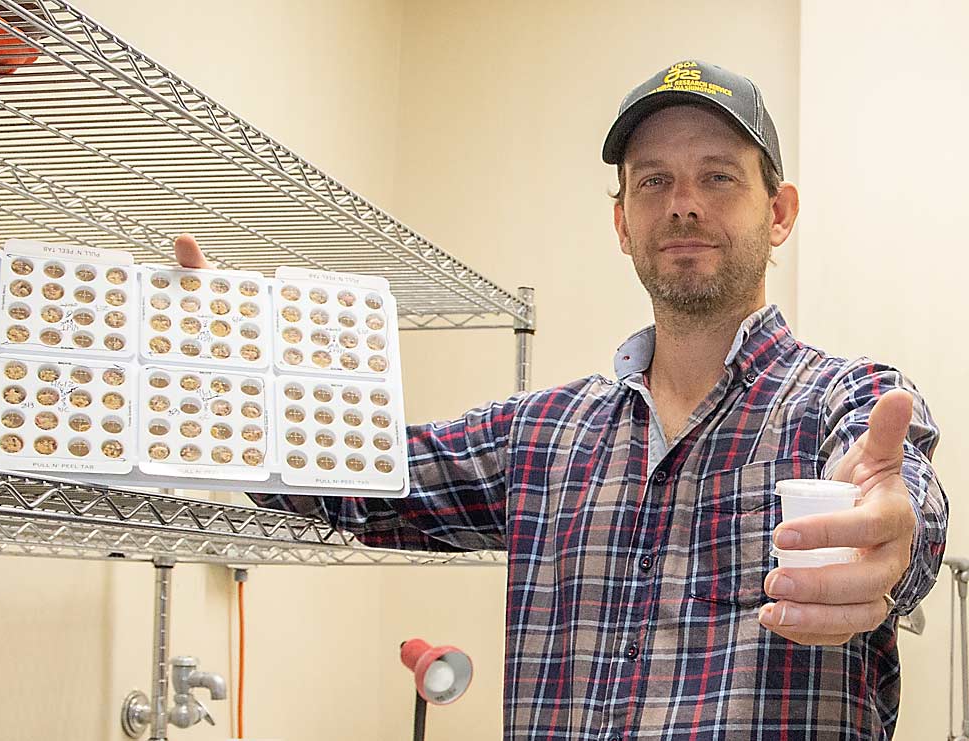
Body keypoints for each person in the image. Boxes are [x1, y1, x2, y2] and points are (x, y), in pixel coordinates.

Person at [173, 60, 947, 740]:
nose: (683, 204)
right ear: (622, 221)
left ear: (778, 213)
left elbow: (896, 490)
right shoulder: (541, 433)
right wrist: (235, 383)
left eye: (718, 176)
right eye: (654, 181)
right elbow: (356, 478)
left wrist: (892, 534)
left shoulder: (845, 398)